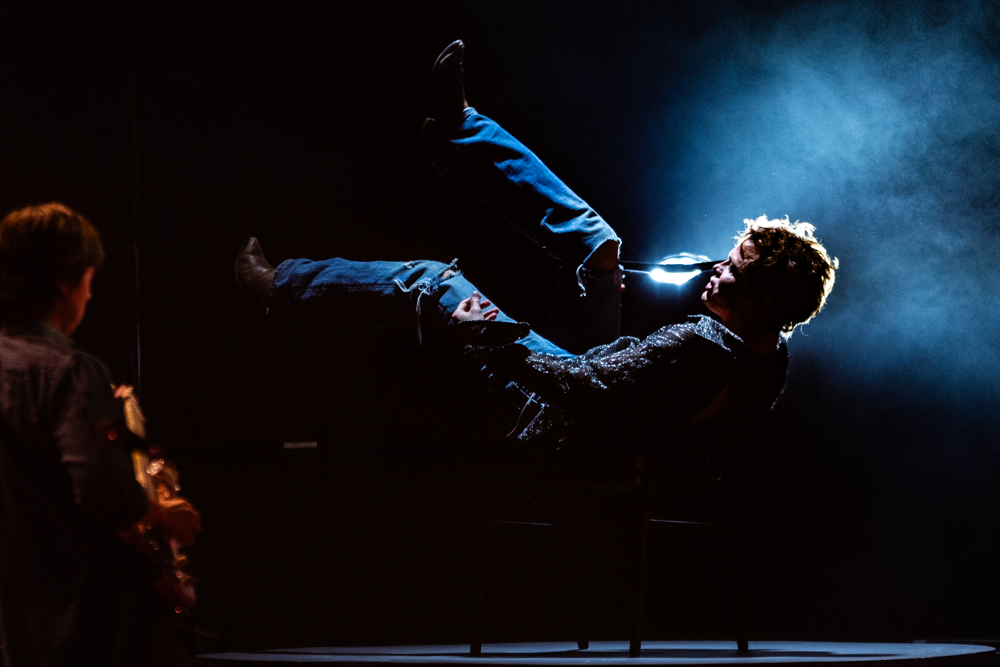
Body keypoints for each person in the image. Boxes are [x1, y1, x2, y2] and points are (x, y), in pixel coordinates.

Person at [235, 41, 837, 466]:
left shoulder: (698, 343)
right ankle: (458, 131)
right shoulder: (769, 360)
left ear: (759, 302)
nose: (717, 268)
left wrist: (487, 334)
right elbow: (640, 404)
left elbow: (577, 385)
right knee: (599, 247)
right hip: (602, 416)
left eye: (733, 268)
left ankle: (280, 291)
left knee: (433, 281)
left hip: (558, 425)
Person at [0, 203, 190, 666]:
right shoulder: (68, 370)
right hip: (82, 613)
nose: (90, 294)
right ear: (64, 282)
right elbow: (103, 491)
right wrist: (162, 516)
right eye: (88, 278)